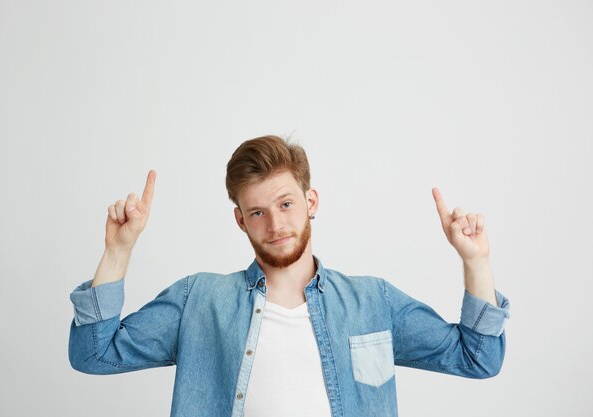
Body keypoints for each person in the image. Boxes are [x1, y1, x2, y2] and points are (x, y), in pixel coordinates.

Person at [68, 135, 510, 417]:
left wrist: (476, 262)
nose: (275, 225)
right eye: (257, 212)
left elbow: (479, 358)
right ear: (240, 221)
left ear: (311, 201)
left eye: (285, 204)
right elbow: (94, 354)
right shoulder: (199, 301)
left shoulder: (371, 302)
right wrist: (118, 251)